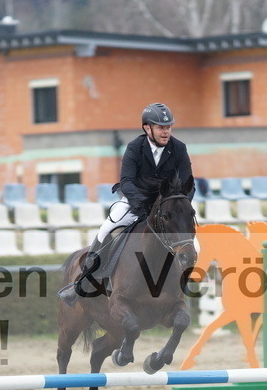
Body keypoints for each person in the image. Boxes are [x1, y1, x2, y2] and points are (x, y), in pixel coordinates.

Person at [57, 102, 193, 305]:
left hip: (167, 206)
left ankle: (184, 282)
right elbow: (127, 181)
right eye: (160, 127)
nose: (165, 131)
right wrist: (142, 203)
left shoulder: (179, 148)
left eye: (168, 127)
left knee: (193, 241)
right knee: (107, 228)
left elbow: (188, 183)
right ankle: (83, 282)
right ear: (147, 128)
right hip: (135, 201)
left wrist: (180, 205)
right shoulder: (135, 148)